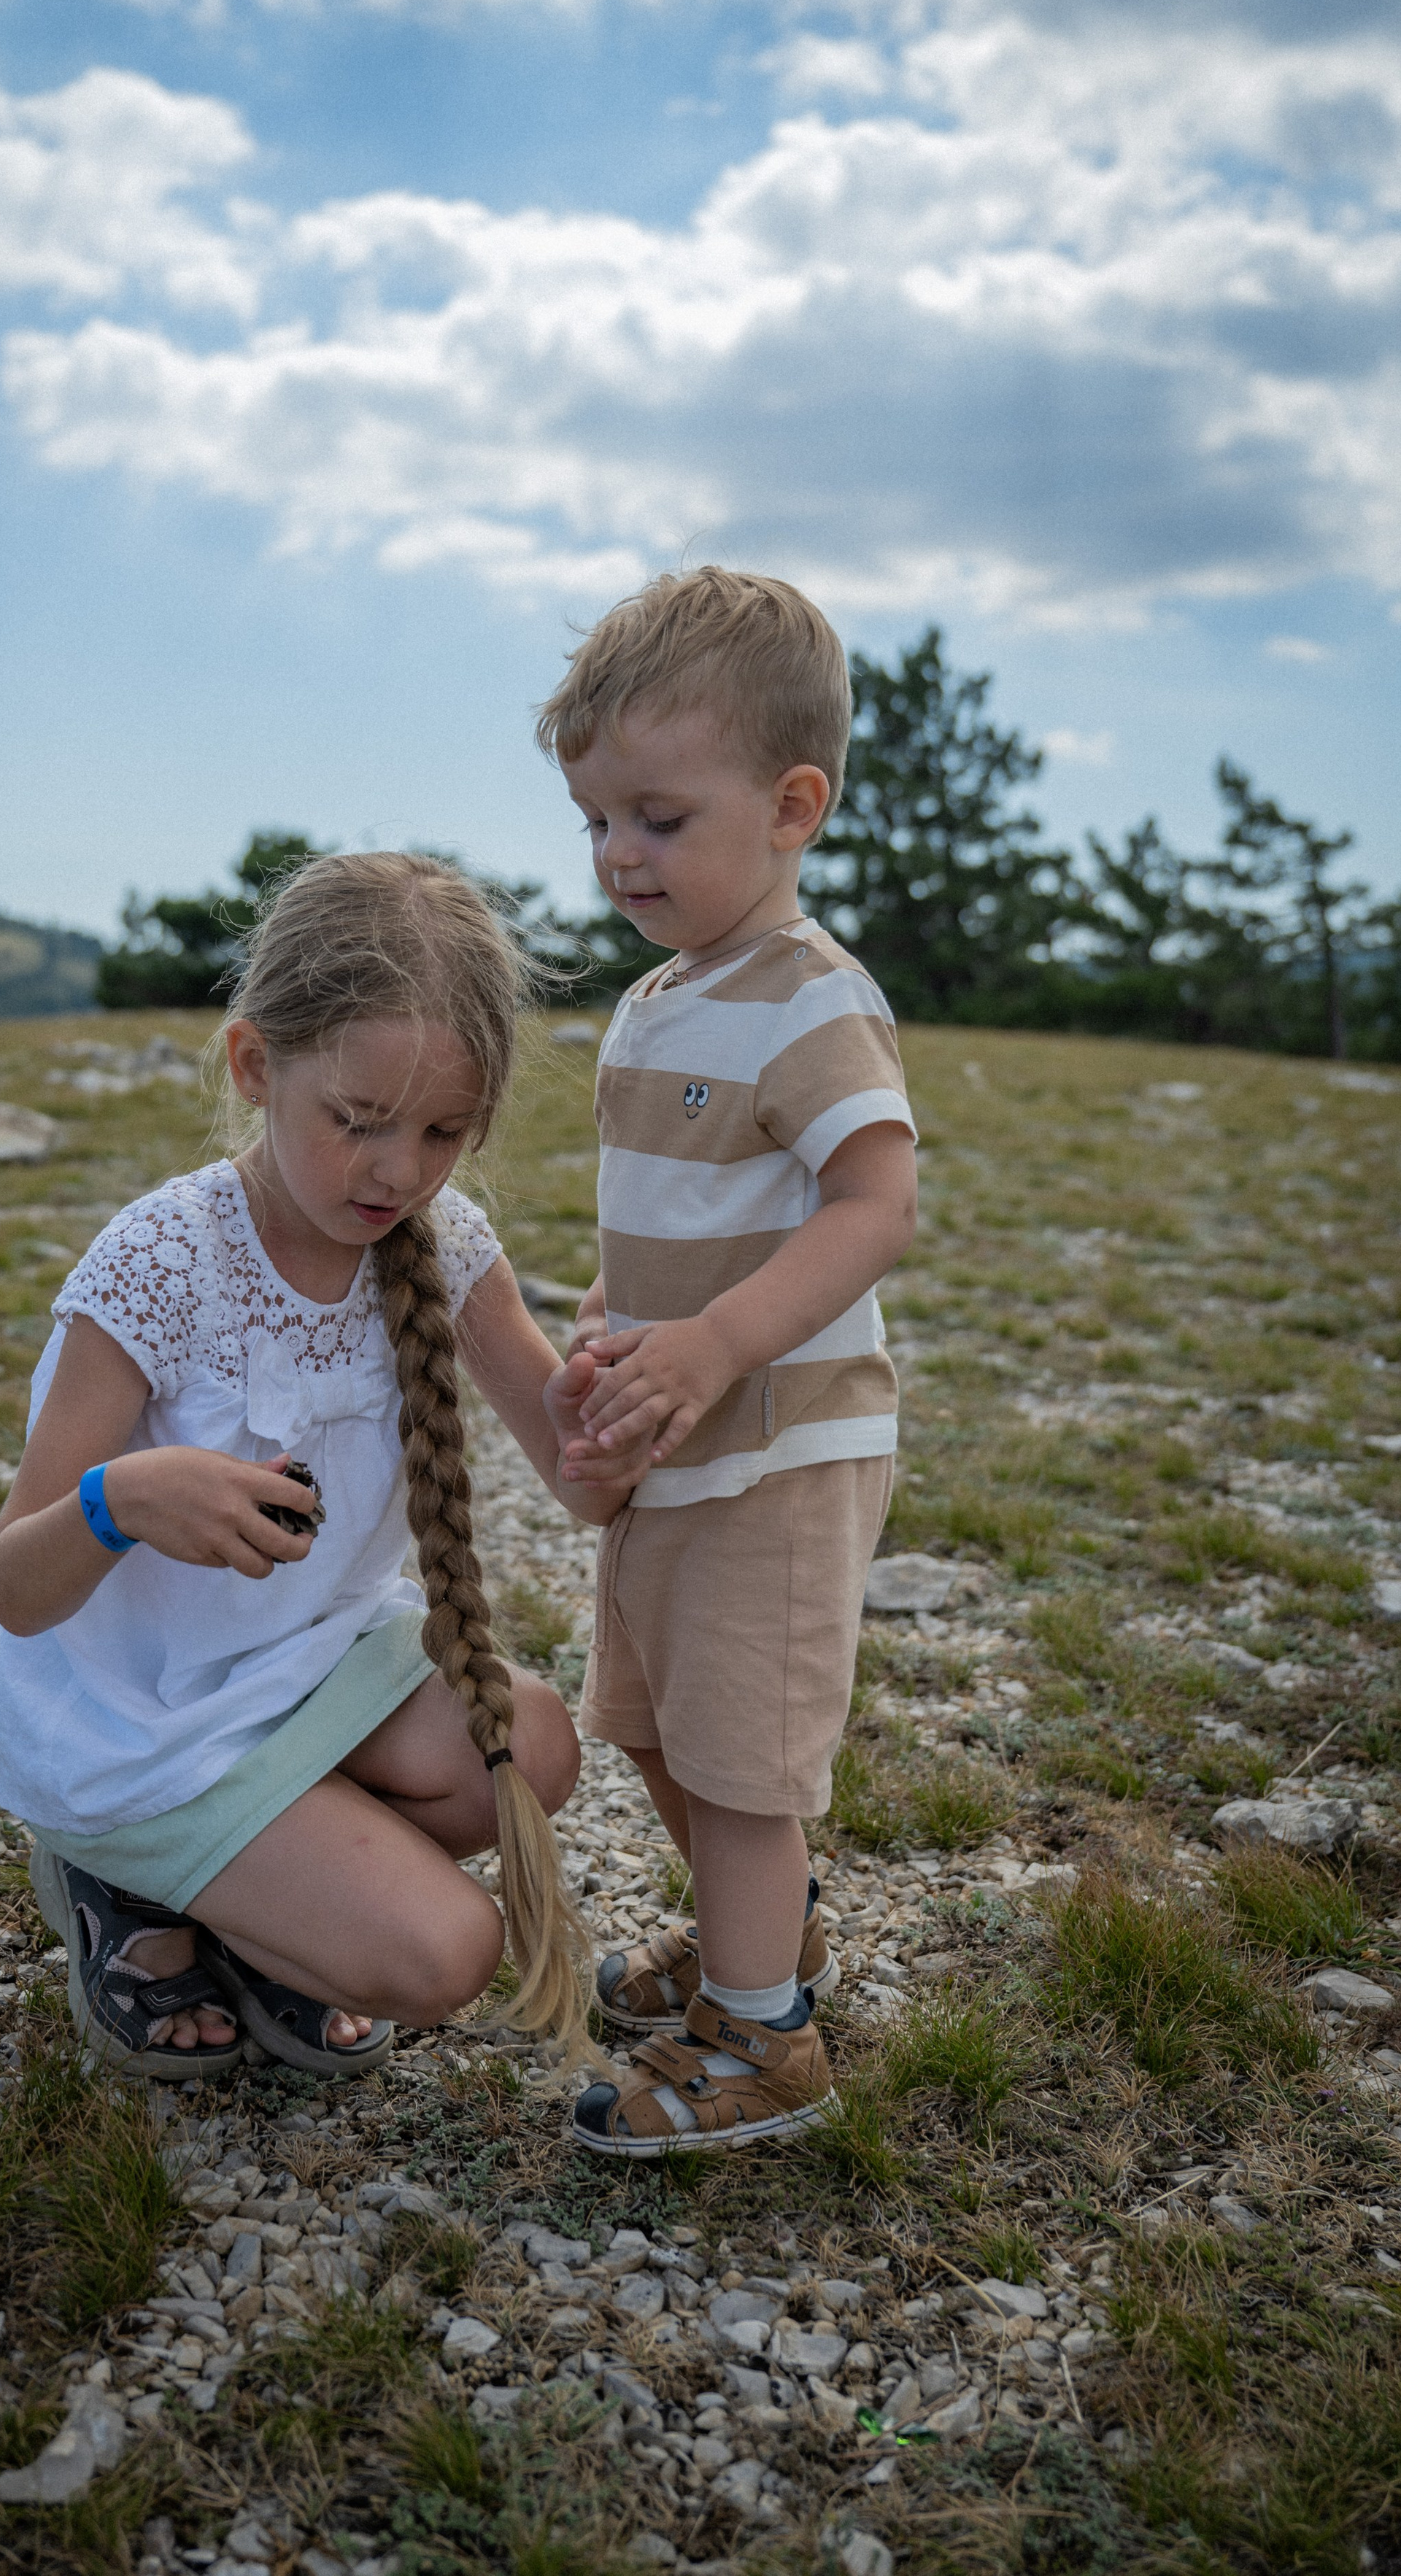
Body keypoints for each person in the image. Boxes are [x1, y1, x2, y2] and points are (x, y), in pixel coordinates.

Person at [0, 851, 644, 2084]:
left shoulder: (448, 1246)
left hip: (314, 1666)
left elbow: (584, 1483)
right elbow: (15, 1590)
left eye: (443, 1132)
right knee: (448, 1953)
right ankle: (124, 1880)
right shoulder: (160, 1264)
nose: (399, 1171)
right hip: (150, 1719)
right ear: (254, 1065)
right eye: (358, 1121)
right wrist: (124, 1501)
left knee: (535, 1747)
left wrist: (619, 1388)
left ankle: (268, 1903)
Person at [535, 567, 919, 2156]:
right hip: (674, 1434)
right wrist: (616, 1326)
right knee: (646, 1721)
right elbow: (679, 1219)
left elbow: (875, 1205)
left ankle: (764, 2041)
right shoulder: (656, 998)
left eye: (659, 817)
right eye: (595, 821)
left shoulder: (812, 1001)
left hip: (778, 1443)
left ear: (790, 807)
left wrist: (713, 1342)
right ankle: (763, 1939)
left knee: (743, 1760)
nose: (619, 854)